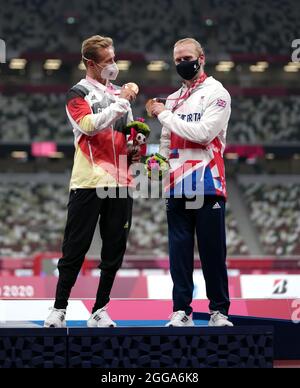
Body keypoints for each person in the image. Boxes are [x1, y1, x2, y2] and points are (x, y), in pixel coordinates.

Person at [44, 35, 146, 328]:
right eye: (108, 61)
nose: (114, 65)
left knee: (114, 250)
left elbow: (127, 133)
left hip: (121, 182)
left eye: (114, 59)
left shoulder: (120, 93)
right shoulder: (77, 93)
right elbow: (87, 126)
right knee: (75, 249)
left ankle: (100, 310)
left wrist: (136, 149)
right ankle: (59, 309)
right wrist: (121, 102)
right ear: (91, 63)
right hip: (88, 181)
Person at [148, 38, 233, 327]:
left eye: (187, 57)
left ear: (202, 58)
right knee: (179, 255)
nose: (183, 63)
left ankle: (219, 311)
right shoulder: (171, 100)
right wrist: (157, 165)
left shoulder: (217, 93)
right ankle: (181, 310)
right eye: (177, 60)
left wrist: (164, 114)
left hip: (208, 183)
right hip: (176, 185)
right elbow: (164, 141)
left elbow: (203, 133)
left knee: (212, 253)